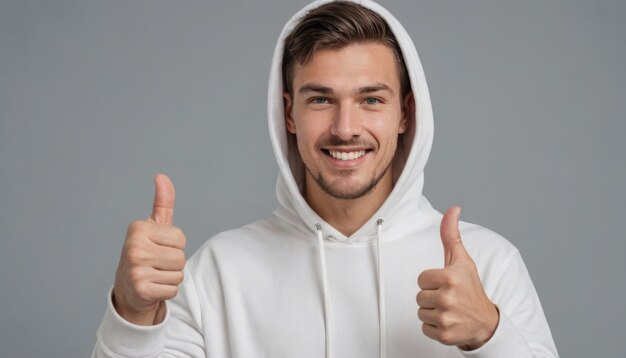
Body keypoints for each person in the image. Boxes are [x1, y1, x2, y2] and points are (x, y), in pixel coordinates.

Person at [92, 1, 559, 357]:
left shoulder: (489, 265)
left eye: (371, 100)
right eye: (320, 100)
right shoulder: (216, 272)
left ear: (405, 113)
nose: (345, 127)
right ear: (288, 113)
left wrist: (490, 336)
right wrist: (132, 314)